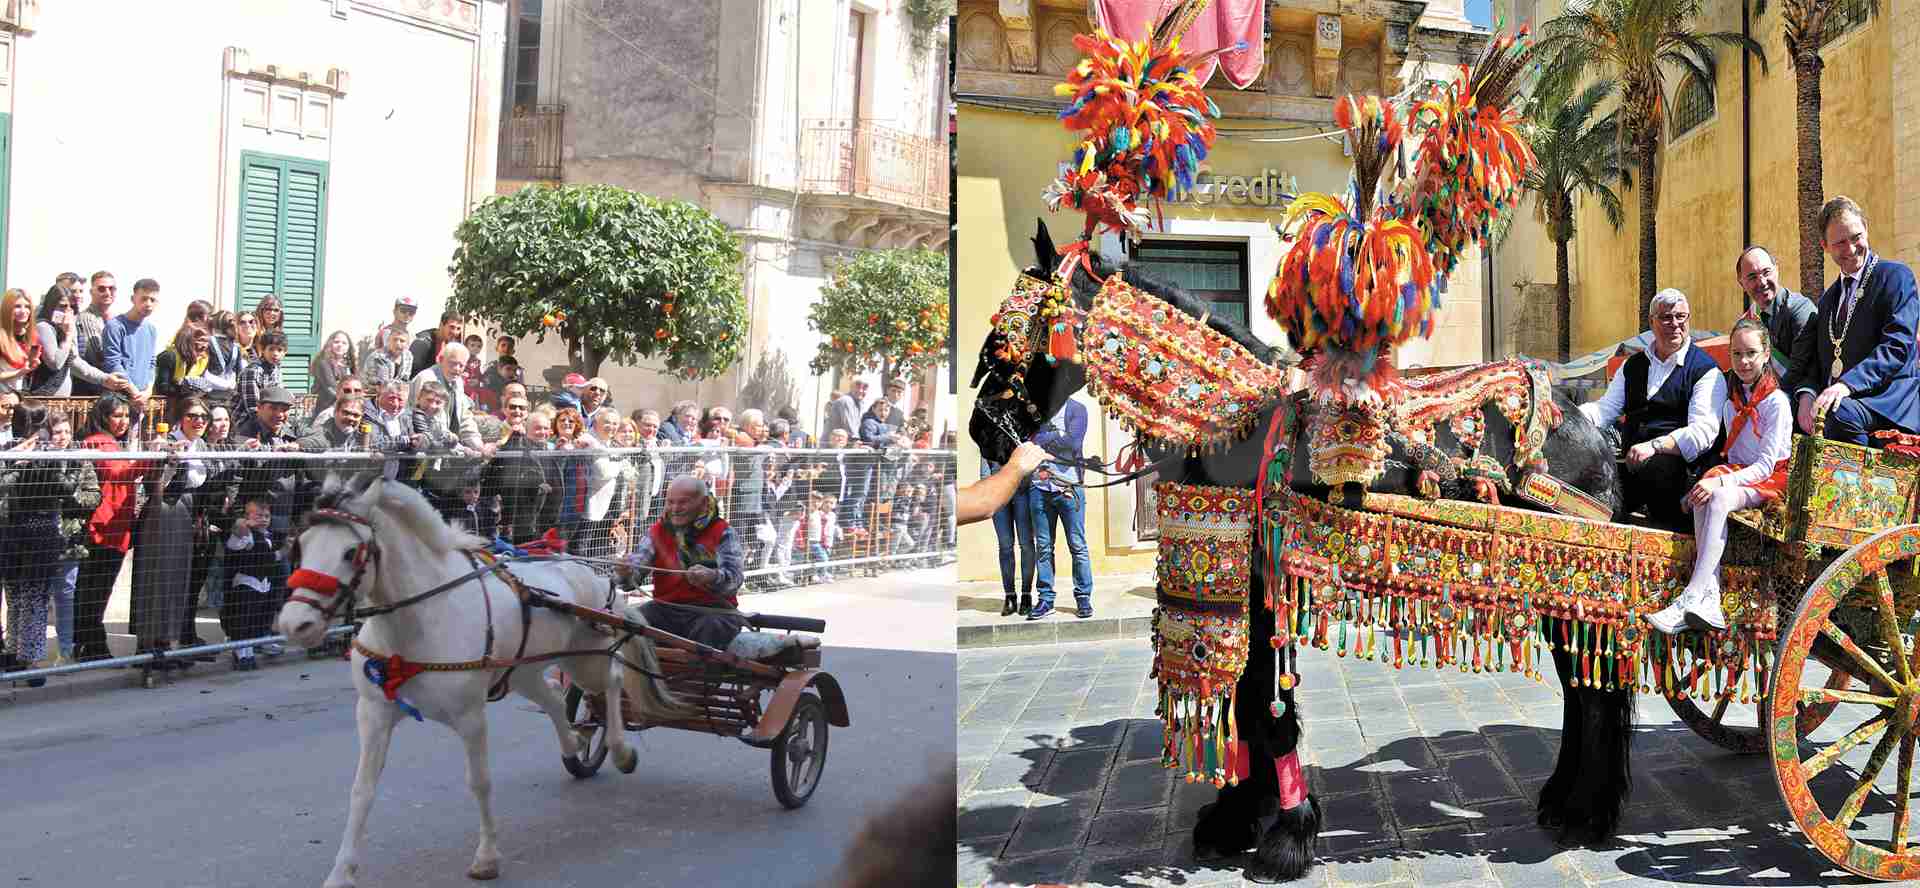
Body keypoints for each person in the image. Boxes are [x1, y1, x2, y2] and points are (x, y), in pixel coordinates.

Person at [1646, 318, 1792, 635]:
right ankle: (1709, 597)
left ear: (1766, 354)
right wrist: (1716, 480)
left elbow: (1766, 467)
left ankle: (1692, 596)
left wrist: (1721, 481)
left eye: (1751, 353)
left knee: (1719, 493)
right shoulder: (1732, 403)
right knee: (1705, 491)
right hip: (1745, 475)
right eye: (1737, 354)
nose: (1743, 361)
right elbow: (1738, 459)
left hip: (1774, 480)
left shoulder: (1776, 403)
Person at [1577, 289, 1720, 531]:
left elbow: (1703, 433)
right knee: (1590, 484)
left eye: (1680, 317)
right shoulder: (1631, 366)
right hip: (1633, 468)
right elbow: (1605, 410)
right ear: (1651, 322)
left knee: (1659, 471)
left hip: (1676, 477)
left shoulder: (1705, 371)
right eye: (1666, 317)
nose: (1674, 324)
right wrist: (1569, 416)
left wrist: (1654, 446)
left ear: (1689, 319)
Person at [1788, 195, 1920, 443]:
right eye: (1839, 243)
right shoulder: (1828, 299)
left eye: (1856, 237)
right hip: (1848, 403)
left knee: (1836, 413)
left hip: (1890, 402)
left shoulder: (1895, 277)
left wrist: (1846, 385)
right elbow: (1819, 359)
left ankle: (1863, 481)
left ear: (1866, 229)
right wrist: (1806, 395)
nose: (1850, 249)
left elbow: (1897, 346)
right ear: (1824, 246)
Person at [0, 407, 100, 681]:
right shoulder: (12, 450)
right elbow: (4, 485)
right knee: (18, 597)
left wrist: (48, 462)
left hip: (43, 530)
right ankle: (16, 655)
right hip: (13, 530)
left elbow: (65, 489)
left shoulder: (54, 455)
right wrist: (16, 461)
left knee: (35, 597)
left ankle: (29, 660)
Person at [621, 477, 747, 649]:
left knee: (709, 629)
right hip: (665, 610)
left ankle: (696, 675)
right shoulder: (657, 532)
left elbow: (735, 579)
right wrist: (626, 573)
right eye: (670, 502)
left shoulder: (723, 531)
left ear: (703, 503)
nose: (675, 509)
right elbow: (633, 575)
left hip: (714, 611)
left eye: (683, 503)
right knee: (630, 621)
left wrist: (712, 576)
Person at [70, 395, 144, 662]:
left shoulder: (113, 443)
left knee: (97, 591)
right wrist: (152, 459)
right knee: (95, 591)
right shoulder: (98, 442)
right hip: (104, 528)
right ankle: (90, 644)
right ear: (103, 417)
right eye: (117, 415)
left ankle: (90, 643)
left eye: (126, 416)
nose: (123, 421)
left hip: (117, 527)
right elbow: (116, 474)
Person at [1027, 398, 1094, 620]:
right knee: (1044, 547)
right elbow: (1030, 441)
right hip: (1039, 488)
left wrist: (1046, 443)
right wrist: (1057, 438)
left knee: (1077, 545)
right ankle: (1046, 599)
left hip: (1069, 487)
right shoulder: (1036, 408)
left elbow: (1074, 444)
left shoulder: (1077, 409)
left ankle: (1083, 597)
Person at [971, 442, 1051, 614]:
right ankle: (1010, 596)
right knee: (1005, 546)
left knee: (1027, 544)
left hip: (1022, 493)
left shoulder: (1022, 428)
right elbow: (985, 472)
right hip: (998, 497)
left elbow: (1033, 461)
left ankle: (1026, 595)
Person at [1735, 245, 1818, 386]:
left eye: (1766, 272)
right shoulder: (1747, 321)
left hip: (1799, 394)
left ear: (1777, 270)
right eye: (1752, 277)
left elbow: (1799, 371)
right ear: (1741, 283)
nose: (1761, 282)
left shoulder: (1799, 309)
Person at [222, 495, 283, 670]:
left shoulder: (269, 536)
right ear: (248, 517)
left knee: (255, 618)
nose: (263, 519)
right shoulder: (246, 534)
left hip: (262, 583)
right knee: (242, 618)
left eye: (266, 516)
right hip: (246, 582)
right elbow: (235, 541)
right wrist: (244, 525)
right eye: (258, 516)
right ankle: (240, 650)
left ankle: (249, 648)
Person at [32, 284, 114, 396]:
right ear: (51, 307)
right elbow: (55, 363)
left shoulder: (62, 329)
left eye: (71, 307)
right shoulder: (44, 327)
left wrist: (105, 378)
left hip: (63, 398)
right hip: (46, 396)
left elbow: (74, 361)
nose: (67, 311)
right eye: (62, 306)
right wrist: (68, 335)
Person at [235, 330, 289, 420]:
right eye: (271, 349)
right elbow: (252, 407)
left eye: (279, 350)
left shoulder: (276, 370)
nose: (275, 354)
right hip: (246, 420)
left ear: (285, 353)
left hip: (270, 419)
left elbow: (279, 399)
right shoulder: (253, 371)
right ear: (263, 350)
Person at [0, 287, 41, 394]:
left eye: (27, 306)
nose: (23, 311)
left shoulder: (33, 336)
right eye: (17, 306)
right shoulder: (1, 337)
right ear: (7, 309)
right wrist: (19, 372)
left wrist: (32, 366)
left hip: (22, 395)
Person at [363, 295, 418, 367]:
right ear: (395, 311)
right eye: (403, 310)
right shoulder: (384, 332)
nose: (407, 314)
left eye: (411, 312)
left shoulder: (413, 336)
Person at [310, 330, 358, 411]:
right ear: (330, 344)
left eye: (344, 343)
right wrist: (348, 401)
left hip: (346, 407)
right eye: (336, 342)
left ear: (348, 347)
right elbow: (331, 388)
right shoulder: (323, 363)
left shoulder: (349, 365)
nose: (340, 345)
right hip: (327, 408)